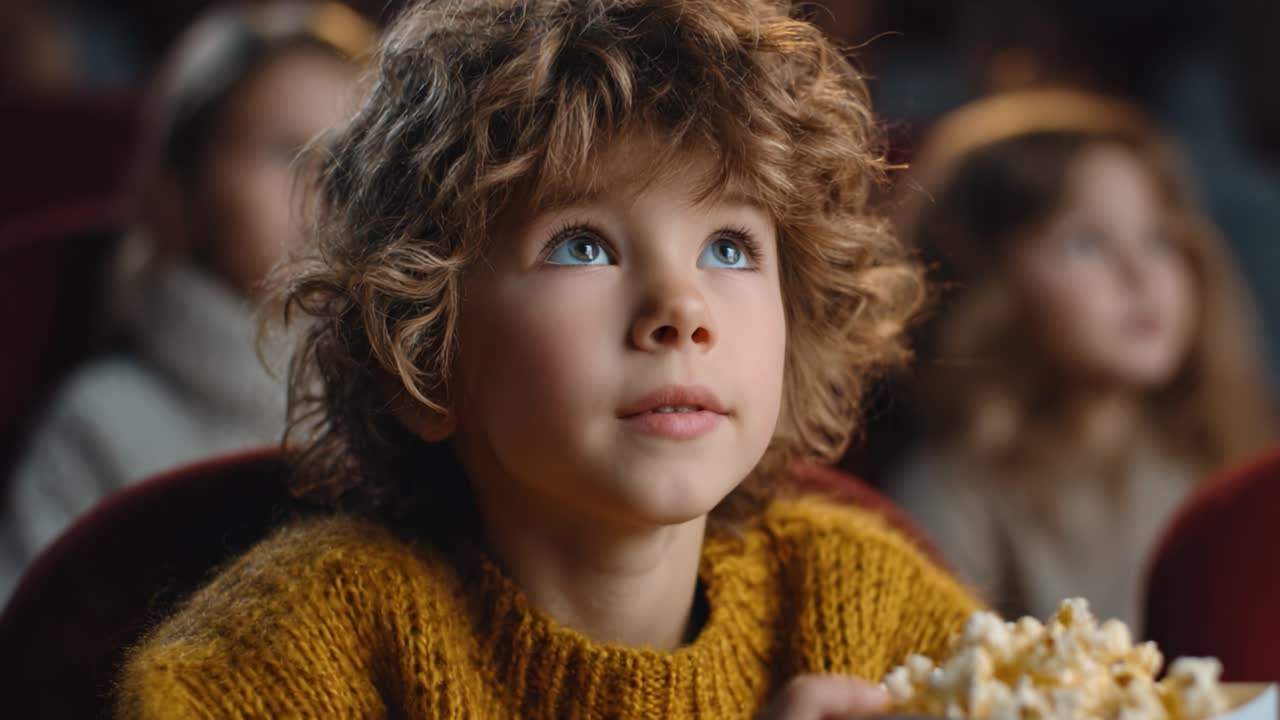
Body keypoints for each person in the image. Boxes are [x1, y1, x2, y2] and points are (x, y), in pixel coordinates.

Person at [115, 0, 981, 717]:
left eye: (728, 248)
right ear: (424, 350)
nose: (681, 311)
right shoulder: (289, 661)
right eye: (581, 247)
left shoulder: (872, 609)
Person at [2, 2, 374, 594]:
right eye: (285, 151)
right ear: (182, 193)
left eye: (352, 157)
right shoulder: (101, 424)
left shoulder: (409, 418)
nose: (325, 182)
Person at [889, 90, 1275, 629]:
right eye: (1085, 243)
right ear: (986, 284)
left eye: (1158, 238)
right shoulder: (952, 496)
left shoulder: (1212, 461)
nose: (1139, 274)